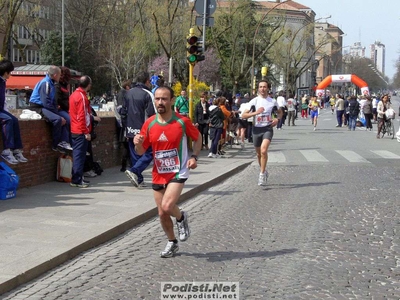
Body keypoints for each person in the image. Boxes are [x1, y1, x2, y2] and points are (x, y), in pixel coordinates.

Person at [133, 86, 202, 258]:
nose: (160, 102)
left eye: (164, 99)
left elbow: (198, 137)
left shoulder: (182, 121)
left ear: (172, 100)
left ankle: (181, 218)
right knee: (162, 213)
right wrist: (137, 142)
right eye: (157, 99)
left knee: (167, 206)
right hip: (159, 172)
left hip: (178, 171)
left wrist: (194, 156)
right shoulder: (149, 123)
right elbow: (141, 151)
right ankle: (172, 242)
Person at [241, 80, 283, 186]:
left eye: (264, 87)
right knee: (259, 154)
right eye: (260, 87)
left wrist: (277, 120)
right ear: (258, 88)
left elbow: (280, 112)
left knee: (264, 151)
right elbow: (243, 115)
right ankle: (263, 170)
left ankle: (261, 174)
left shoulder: (272, 101)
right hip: (256, 129)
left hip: (267, 129)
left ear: (268, 88)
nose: (262, 89)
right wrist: (256, 112)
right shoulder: (254, 101)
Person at [123, 71, 156, 188]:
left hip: (130, 129)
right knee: (151, 152)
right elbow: (152, 114)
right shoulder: (148, 94)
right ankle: (135, 171)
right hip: (143, 129)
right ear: (147, 81)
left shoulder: (127, 93)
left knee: (135, 154)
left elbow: (123, 112)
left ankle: (139, 179)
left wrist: (126, 129)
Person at [29, 66, 72, 152]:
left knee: (65, 119)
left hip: (45, 106)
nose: (60, 77)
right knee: (57, 120)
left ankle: (63, 141)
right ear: (55, 75)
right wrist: (56, 114)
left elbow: (51, 101)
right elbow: (46, 102)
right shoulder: (46, 83)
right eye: (59, 75)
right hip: (38, 107)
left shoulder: (51, 83)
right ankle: (55, 144)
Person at [0, 59, 28, 164]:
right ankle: (7, 150)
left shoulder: (2, 82)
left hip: (1, 109)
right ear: (5, 72)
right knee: (8, 120)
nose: (10, 75)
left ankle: (17, 149)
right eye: (10, 72)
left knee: (15, 120)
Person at [69, 76, 93, 188]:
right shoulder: (82, 97)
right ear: (88, 85)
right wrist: (86, 132)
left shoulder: (73, 95)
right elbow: (82, 115)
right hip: (80, 130)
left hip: (74, 128)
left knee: (77, 154)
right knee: (79, 156)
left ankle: (77, 178)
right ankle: (77, 179)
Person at [115, 79, 132, 172]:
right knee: (127, 145)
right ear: (127, 87)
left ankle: (126, 164)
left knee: (127, 146)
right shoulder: (123, 94)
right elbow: (121, 110)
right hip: (124, 124)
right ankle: (124, 165)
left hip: (122, 123)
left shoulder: (121, 93)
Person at [55, 66, 72, 145]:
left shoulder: (65, 85)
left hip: (65, 108)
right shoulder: (57, 85)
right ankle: (65, 141)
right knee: (68, 120)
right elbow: (58, 99)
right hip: (60, 109)